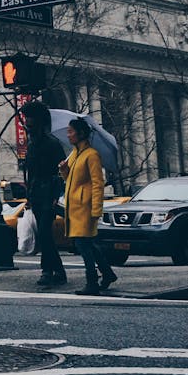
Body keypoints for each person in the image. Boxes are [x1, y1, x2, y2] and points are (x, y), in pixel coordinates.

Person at [59, 116, 118, 296]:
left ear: (81, 133)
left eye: (71, 131)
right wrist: (64, 170)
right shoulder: (75, 154)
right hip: (75, 208)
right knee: (88, 245)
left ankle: (92, 281)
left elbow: (97, 183)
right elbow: (71, 181)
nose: (68, 135)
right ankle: (107, 274)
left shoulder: (91, 155)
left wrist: (96, 209)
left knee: (84, 246)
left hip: (84, 208)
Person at [21, 101, 67, 287]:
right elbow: (31, 173)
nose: (27, 126)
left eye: (30, 124)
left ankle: (47, 270)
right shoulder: (32, 145)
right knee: (43, 234)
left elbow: (60, 172)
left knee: (45, 234)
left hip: (49, 194)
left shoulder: (52, 144)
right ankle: (59, 271)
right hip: (37, 193)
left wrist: (56, 194)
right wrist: (29, 197)